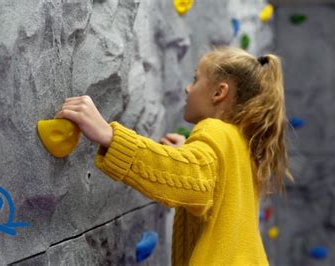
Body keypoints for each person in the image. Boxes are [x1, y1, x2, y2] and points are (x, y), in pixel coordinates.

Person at [54, 46, 294, 265]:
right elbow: (216, 181)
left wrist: (109, 135)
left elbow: (181, 177)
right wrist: (190, 149)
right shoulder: (242, 141)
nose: (188, 88)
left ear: (219, 92)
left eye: (196, 79)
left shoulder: (215, 130)